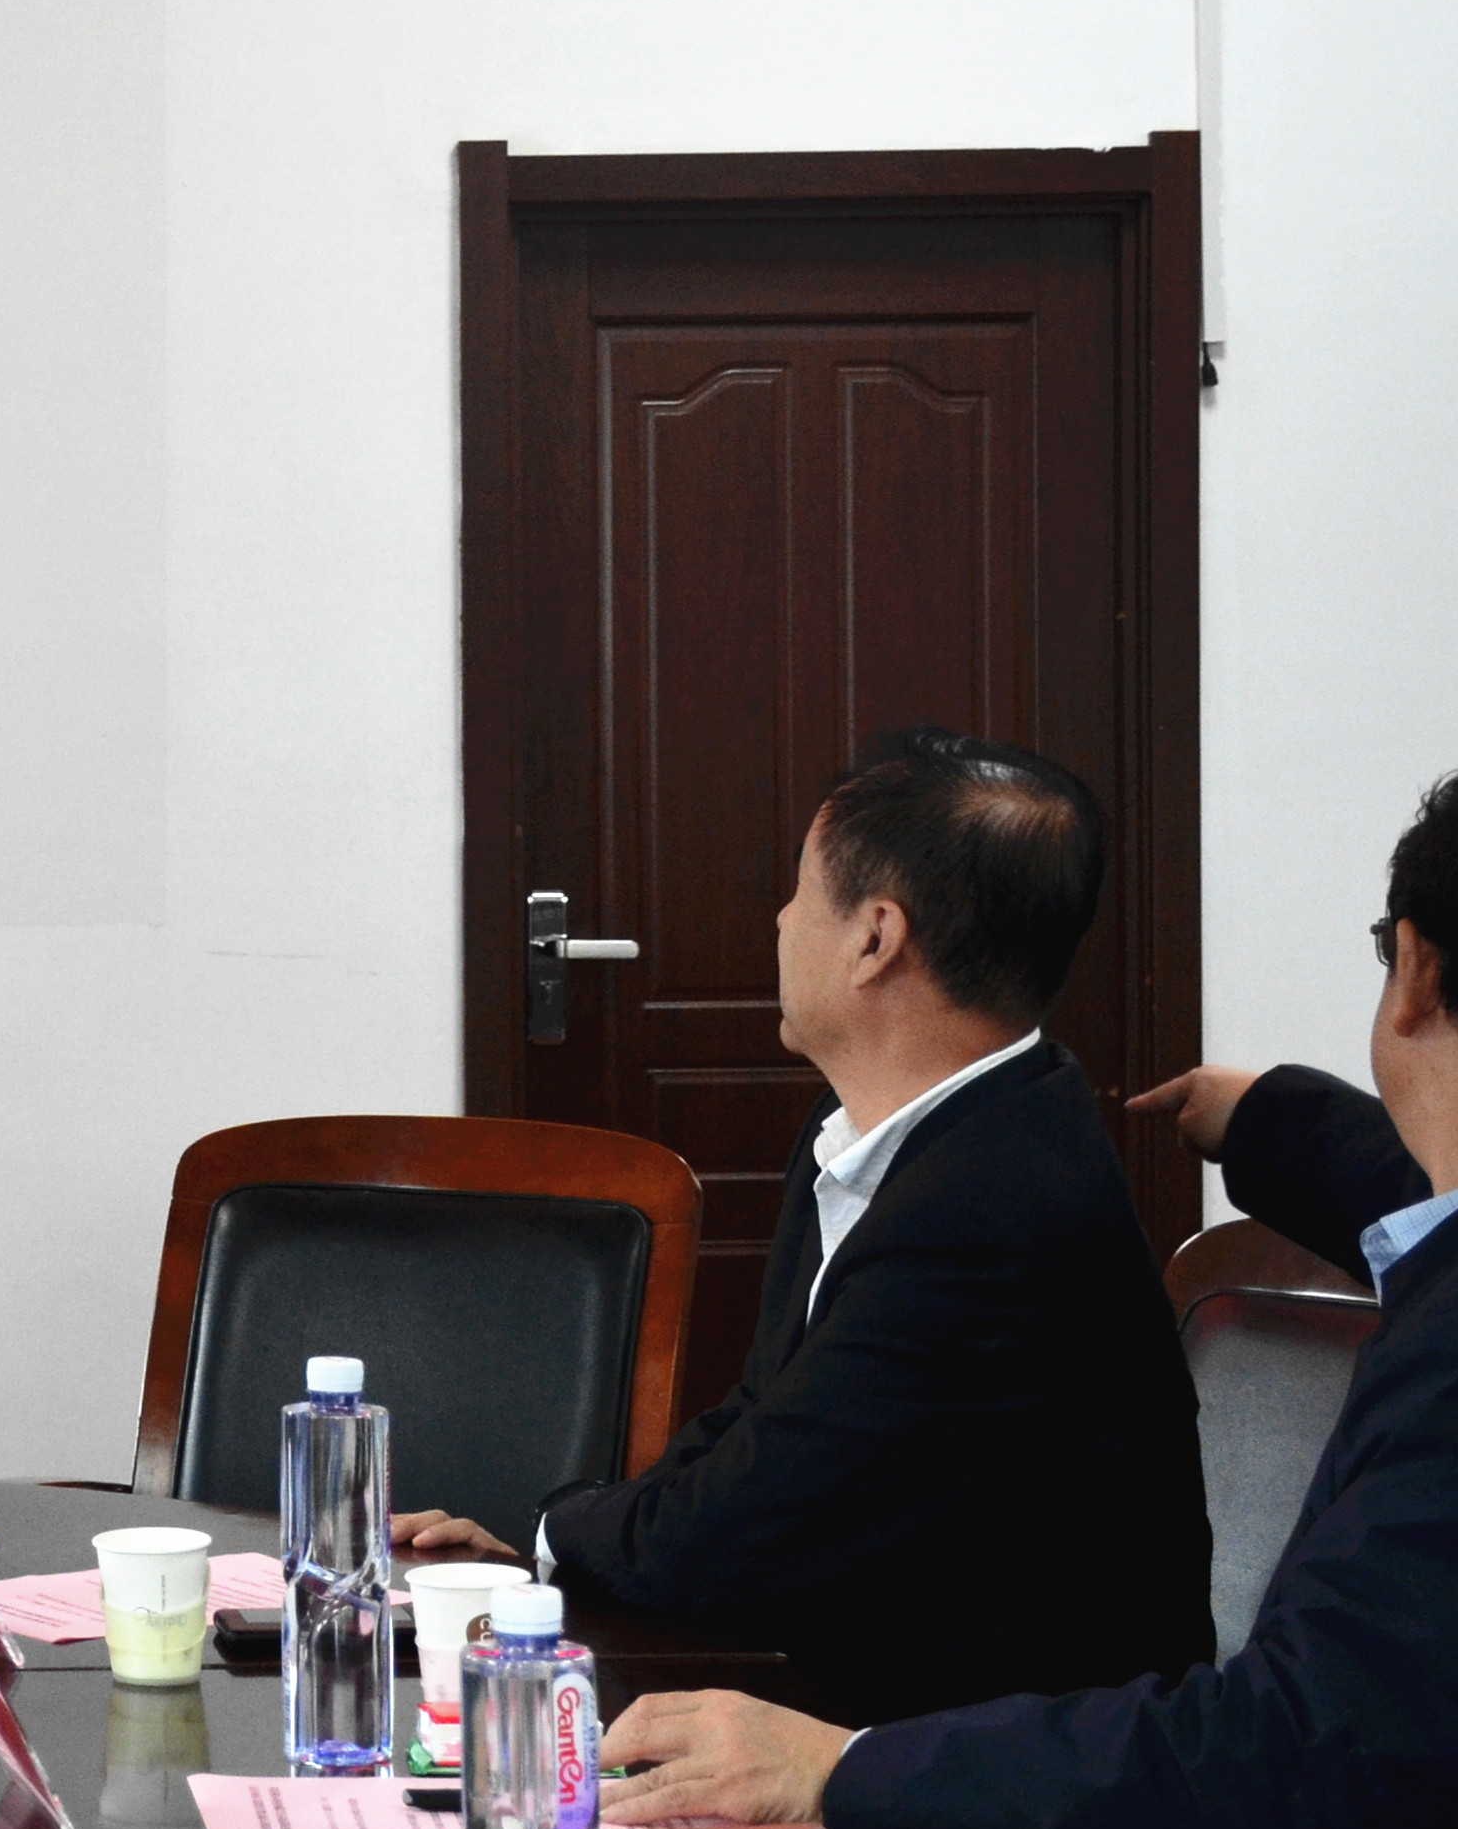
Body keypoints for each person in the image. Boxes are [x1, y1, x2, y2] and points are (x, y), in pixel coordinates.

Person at [602, 755, 1458, 1829]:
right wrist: (1269, 1120)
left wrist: (843, 1765)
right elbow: (1422, 1203)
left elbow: (1289, 1752)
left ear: (1417, 973)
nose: (776, 920)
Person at [391, 730, 1213, 1725]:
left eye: (800, 890)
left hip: (993, 1762)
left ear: (875, 938)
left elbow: (745, 1522)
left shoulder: (992, 1210)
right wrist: (554, 1545)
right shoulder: (892, 1131)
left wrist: (555, 1539)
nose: (781, 919)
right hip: (859, 1684)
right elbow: (763, 1421)